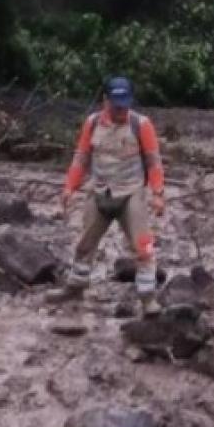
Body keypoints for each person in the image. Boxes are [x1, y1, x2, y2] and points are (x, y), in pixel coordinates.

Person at [50, 76, 166, 316]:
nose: (120, 110)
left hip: (131, 193)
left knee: (143, 246)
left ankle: (147, 298)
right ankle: (76, 285)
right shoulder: (92, 123)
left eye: (124, 105)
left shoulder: (141, 124)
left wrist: (157, 194)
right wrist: (69, 188)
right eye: (116, 105)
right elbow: (81, 157)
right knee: (85, 244)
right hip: (99, 191)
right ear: (105, 101)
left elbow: (153, 161)